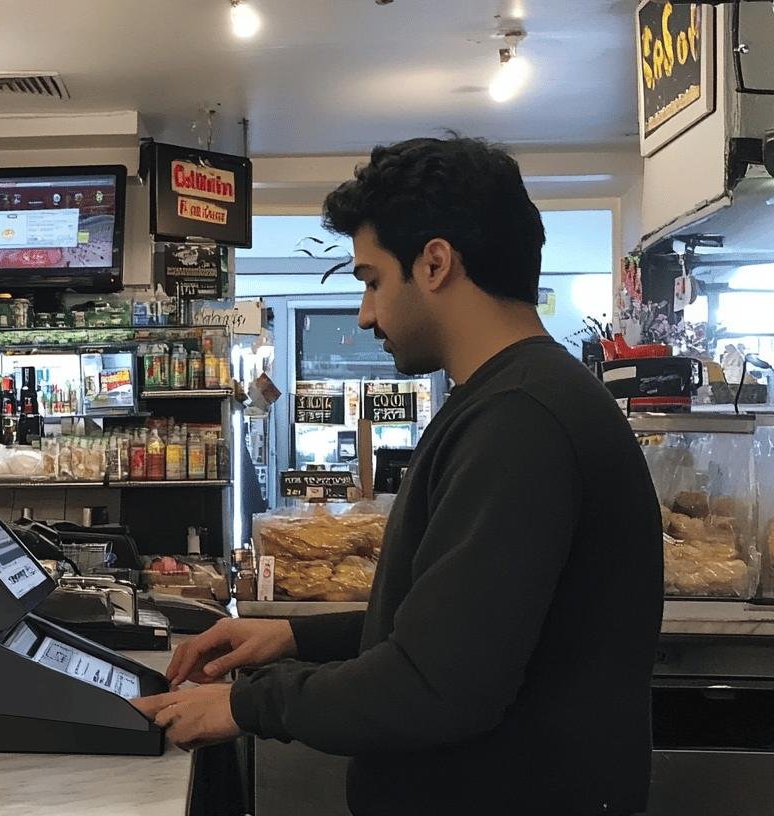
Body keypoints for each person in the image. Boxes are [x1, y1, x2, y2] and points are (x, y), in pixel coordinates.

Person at [133, 137, 664, 815]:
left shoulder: (521, 420)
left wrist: (247, 704)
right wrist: (294, 637)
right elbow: (457, 632)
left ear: (435, 263)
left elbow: (433, 685)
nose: (365, 312)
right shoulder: (516, 398)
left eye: (372, 279)